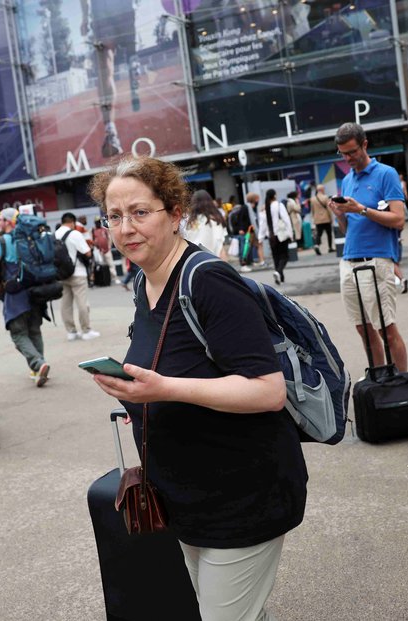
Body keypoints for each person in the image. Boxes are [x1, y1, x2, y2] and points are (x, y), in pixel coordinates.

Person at [88, 156, 306, 621]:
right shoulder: (145, 283)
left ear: (174, 213)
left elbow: (268, 391)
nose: (126, 228)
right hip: (186, 496)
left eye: (140, 212)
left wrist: (163, 390)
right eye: (114, 216)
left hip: (243, 495)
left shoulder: (208, 280)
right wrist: (138, 397)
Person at [328, 122, 408, 373]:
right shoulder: (348, 180)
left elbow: (399, 220)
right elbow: (348, 229)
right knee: (363, 327)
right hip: (349, 260)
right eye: (343, 153)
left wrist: (361, 209)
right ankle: (379, 376)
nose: (348, 158)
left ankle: (402, 382)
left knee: (386, 327)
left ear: (365, 144)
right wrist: (340, 213)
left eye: (352, 152)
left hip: (376, 259)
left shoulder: (386, 174)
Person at [0, 208, 51, 387]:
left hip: (15, 295)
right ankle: (39, 366)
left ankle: (38, 365)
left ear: (8, 221)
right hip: (36, 291)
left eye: (0, 219)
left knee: (18, 334)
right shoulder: (29, 238)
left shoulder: (2, 241)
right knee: (34, 331)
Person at [80, 0, 138, 158]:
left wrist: (85, 17)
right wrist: (85, 16)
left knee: (115, 63)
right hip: (107, 11)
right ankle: (110, 130)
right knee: (105, 67)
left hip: (119, 9)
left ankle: (134, 63)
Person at [56, 212, 100, 342]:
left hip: (61, 275)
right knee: (82, 302)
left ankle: (71, 332)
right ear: (72, 222)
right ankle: (86, 330)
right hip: (78, 273)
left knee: (65, 304)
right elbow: (87, 252)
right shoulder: (75, 234)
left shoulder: (55, 234)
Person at [257, 188, 292, 285]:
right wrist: (290, 233)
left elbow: (262, 224)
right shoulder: (279, 205)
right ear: (275, 196)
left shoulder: (264, 208)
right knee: (285, 256)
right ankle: (278, 272)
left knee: (276, 257)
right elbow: (286, 219)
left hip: (271, 236)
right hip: (280, 235)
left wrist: (260, 237)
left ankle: (280, 277)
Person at [182, 189, 227, 258]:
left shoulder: (188, 221)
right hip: (213, 260)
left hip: (194, 260)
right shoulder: (215, 220)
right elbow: (219, 246)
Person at [310, 184, 334, 255]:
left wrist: (314, 218)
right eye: (323, 189)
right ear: (321, 190)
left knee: (319, 234)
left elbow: (312, 210)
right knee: (329, 234)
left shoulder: (312, 199)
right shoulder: (325, 197)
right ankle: (330, 248)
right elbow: (329, 209)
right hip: (326, 219)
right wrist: (331, 218)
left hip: (318, 220)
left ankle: (316, 245)